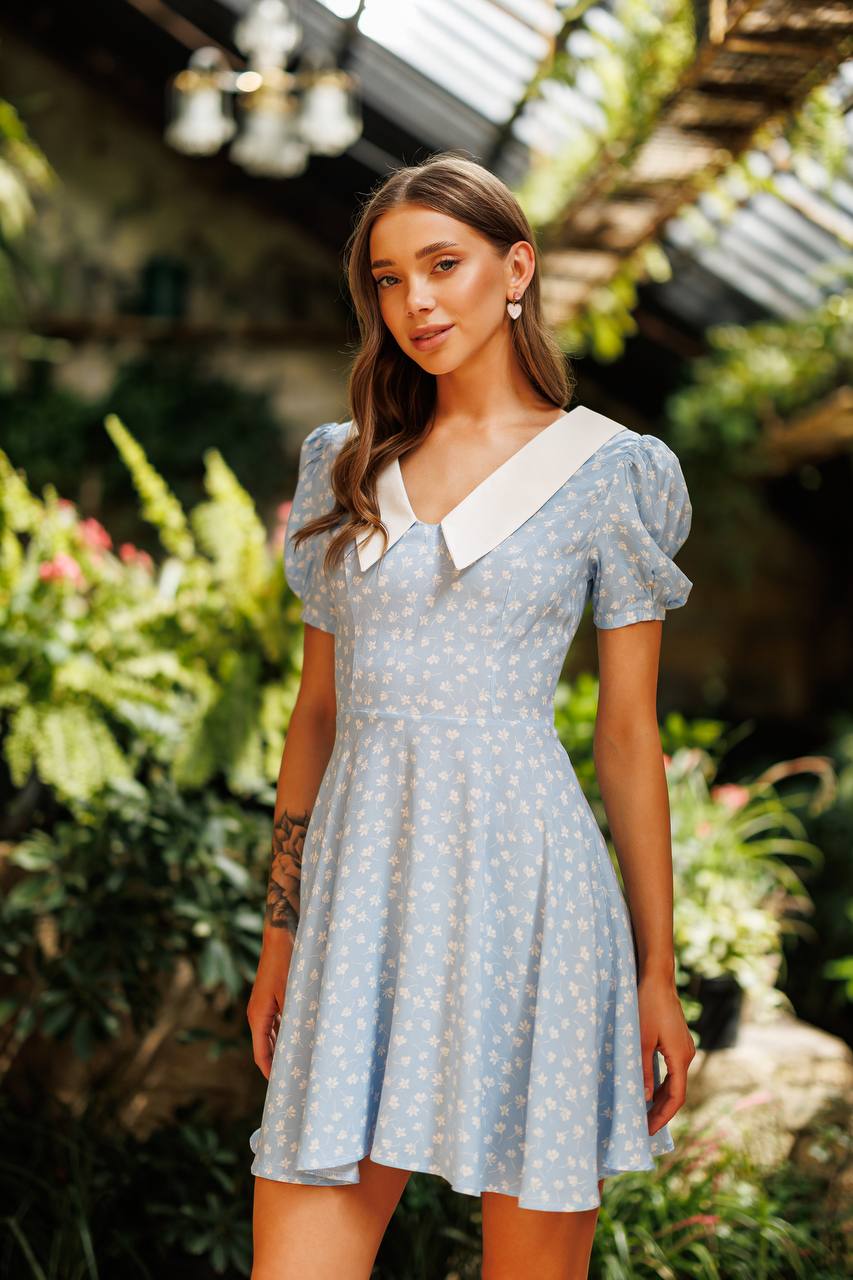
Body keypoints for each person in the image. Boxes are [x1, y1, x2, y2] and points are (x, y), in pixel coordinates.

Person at [247, 152, 696, 1280]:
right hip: (356, 919)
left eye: (442, 265)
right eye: (390, 281)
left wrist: (656, 971)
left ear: (516, 268)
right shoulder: (343, 468)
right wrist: (279, 934)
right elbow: (316, 718)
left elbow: (628, 738)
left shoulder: (610, 471)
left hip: (538, 907)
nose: (417, 303)